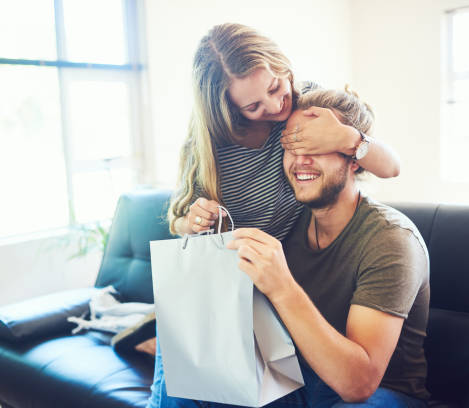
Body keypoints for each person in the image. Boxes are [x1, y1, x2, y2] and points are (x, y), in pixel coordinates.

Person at [146, 22, 403, 407]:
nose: (275, 108)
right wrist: (191, 220)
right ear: (228, 109)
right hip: (217, 288)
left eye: (273, 88)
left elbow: (391, 168)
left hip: (271, 288)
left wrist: (348, 139)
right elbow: (179, 218)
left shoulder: (307, 105)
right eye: (253, 106)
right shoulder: (207, 145)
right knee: (178, 391)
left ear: (281, 65)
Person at [225, 88, 430, 406]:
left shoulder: (391, 239)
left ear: (356, 162)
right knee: (182, 381)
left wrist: (282, 287)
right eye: (292, 146)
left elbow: (358, 384)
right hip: (299, 378)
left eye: (316, 147)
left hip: (379, 392)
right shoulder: (287, 221)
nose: (301, 159)